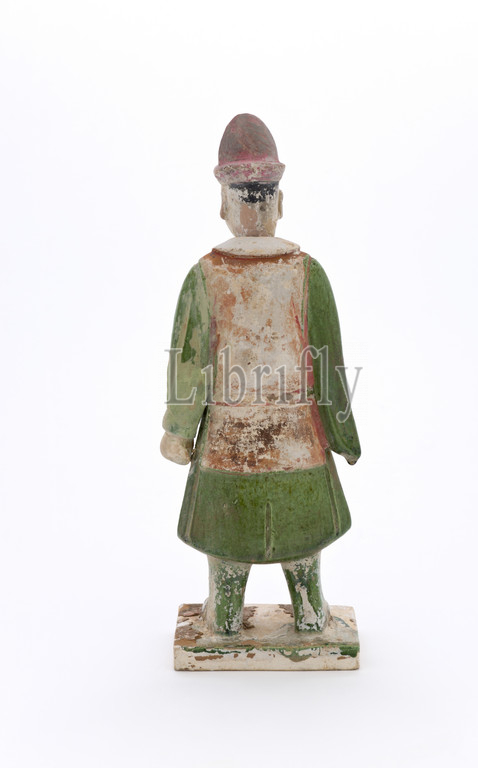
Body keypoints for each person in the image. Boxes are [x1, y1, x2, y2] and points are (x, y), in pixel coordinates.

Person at [161, 113, 360, 634]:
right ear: (279, 202)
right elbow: (329, 367)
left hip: (227, 452)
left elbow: (188, 363)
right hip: (300, 449)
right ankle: (310, 617)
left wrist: (178, 431)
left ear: (223, 205)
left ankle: (225, 620)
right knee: (303, 551)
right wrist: (343, 434)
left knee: (227, 553)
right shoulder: (307, 273)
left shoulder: (205, 276)